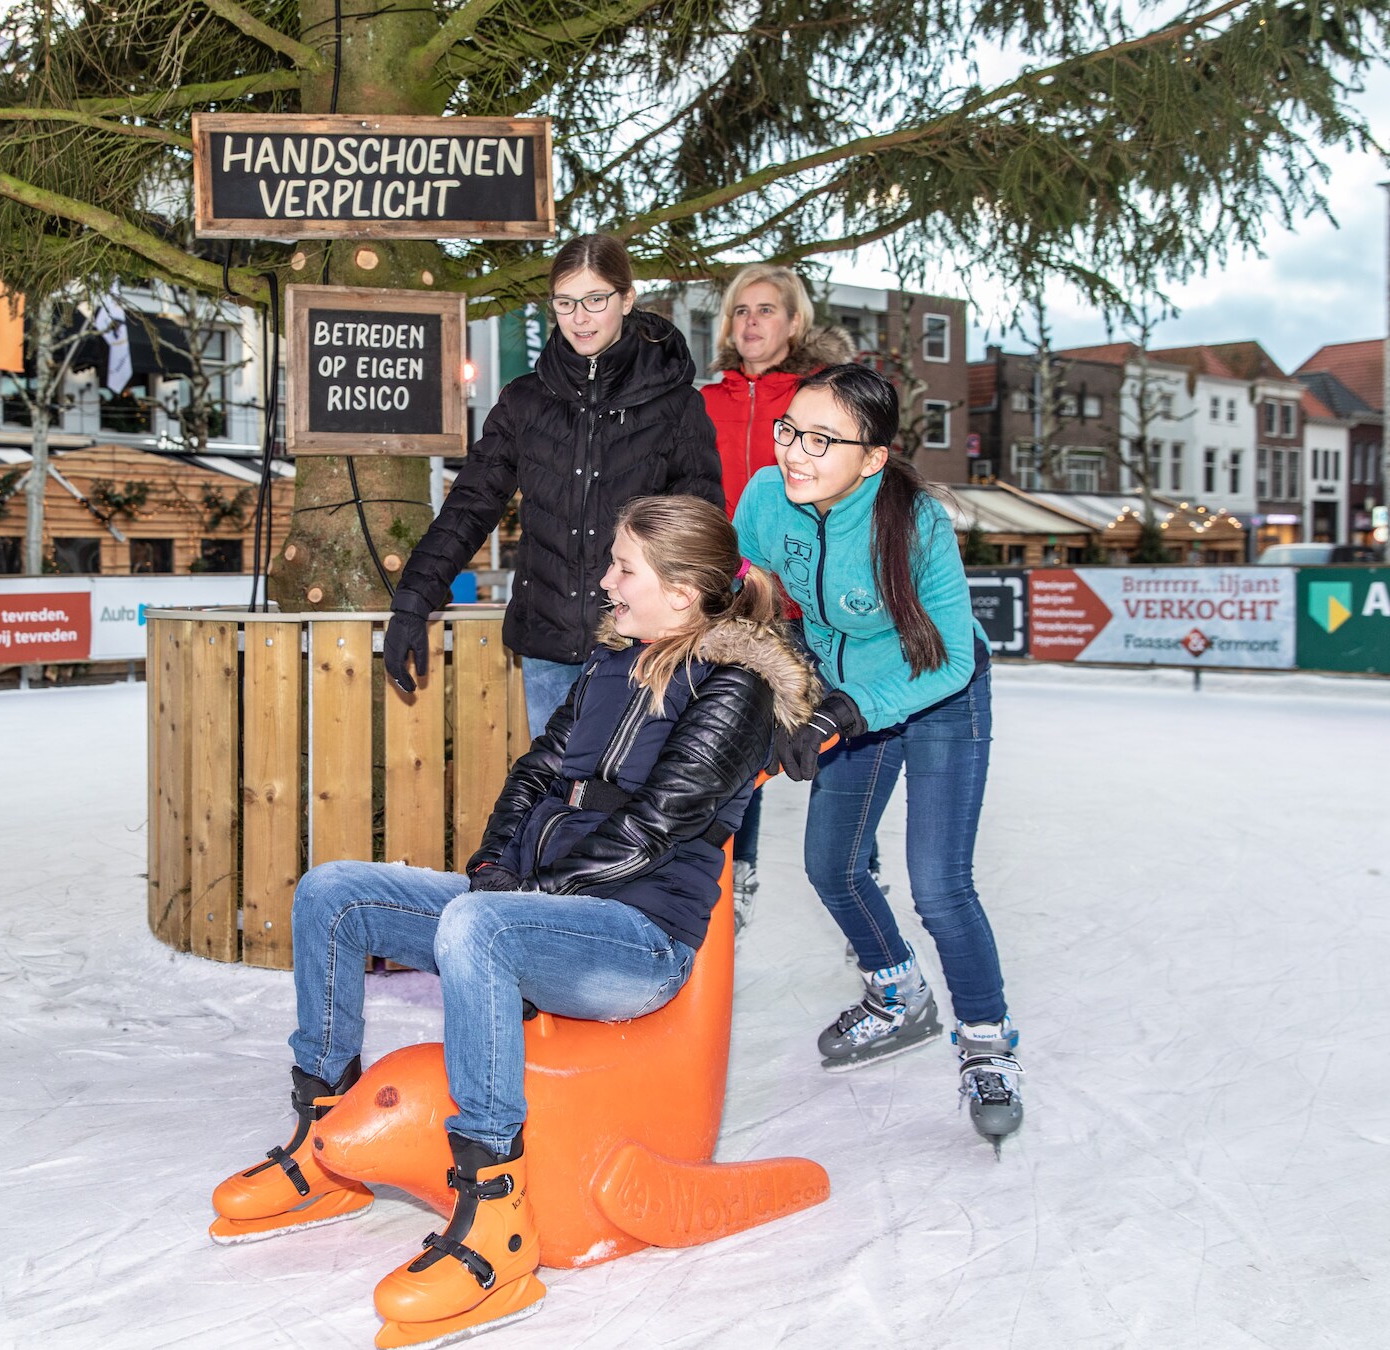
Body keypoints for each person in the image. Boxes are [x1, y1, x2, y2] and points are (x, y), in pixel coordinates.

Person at [212, 495, 815, 1343]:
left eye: (624, 569)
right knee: (334, 893)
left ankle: (494, 1204)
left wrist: (523, 901)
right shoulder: (612, 665)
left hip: (635, 939)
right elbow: (535, 774)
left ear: (682, 593)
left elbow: (654, 828)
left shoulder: (734, 689)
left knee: (478, 929)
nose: (605, 581)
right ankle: (320, 1138)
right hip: (531, 909)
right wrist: (494, 870)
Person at [732, 365, 1023, 1155]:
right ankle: (897, 990)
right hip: (844, 695)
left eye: (822, 440)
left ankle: (986, 1043)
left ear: (871, 458)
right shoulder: (767, 498)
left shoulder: (915, 523)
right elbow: (749, 595)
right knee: (832, 866)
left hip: (938, 694)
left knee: (939, 884)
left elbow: (951, 655)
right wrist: (777, 688)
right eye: (790, 429)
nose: (795, 452)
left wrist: (847, 709)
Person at [382, 233, 723, 733]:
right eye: (565, 302)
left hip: (644, 644)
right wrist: (413, 600)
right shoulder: (525, 400)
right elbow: (471, 505)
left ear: (627, 299)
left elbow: (700, 530)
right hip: (549, 642)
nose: (579, 317)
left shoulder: (676, 405)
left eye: (595, 299)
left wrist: (702, 629)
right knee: (554, 781)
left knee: (636, 783)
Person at [698, 264, 854, 928]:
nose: (751, 322)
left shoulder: (821, 399)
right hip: (737, 605)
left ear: (794, 323)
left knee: (838, 742)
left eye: (766, 310)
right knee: (735, 745)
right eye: (741, 311)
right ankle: (737, 878)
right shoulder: (706, 402)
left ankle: (857, 876)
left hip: (815, 606)